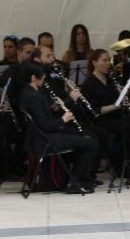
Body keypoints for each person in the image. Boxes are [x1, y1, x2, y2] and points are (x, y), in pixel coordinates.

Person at [21, 64, 99, 194]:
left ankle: (77, 179)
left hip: (40, 137)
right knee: (91, 144)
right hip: (44, 140)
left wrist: (57, 106)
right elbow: (45, 126)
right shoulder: (35, 97)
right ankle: (74, 183)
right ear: (34, 78)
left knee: (85, 138)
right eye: (43, 78)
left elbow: (42, 116)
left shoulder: (27, 92)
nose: (44, 80)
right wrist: (64, 119)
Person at [81, 49, 130, 172]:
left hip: (114, 117)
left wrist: (123, 96)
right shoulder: (89, 84)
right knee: (129, 128)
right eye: (104, 60)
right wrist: (116, 106)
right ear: (94, 63)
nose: (108, 63)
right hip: (100, 120)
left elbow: (117, 101)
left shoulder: (110, 80)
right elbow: (94, 110)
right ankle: (119, 164)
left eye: (108, 60)